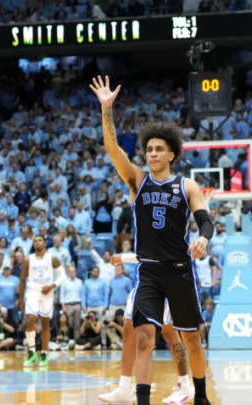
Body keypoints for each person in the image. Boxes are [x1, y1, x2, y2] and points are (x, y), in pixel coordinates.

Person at [90, 75, 210, 405]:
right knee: (143, 336)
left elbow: (205, 220)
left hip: (181, 271)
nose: (152, 153)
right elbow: (112, 148)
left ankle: (199, 396)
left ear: (172, 154)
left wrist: (204, 238)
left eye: (158, 149)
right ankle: (141, 400)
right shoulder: (137, 181)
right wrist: (106, 110)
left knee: (192, 340)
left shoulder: (186, 186)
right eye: (148, 149)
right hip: (149, 273)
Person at [98, 255, 196, 404]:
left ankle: (184, 385)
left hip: (164, 283)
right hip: (142, 284)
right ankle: (124, 388)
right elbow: (144, 252)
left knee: (170, 333)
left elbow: (154, 253)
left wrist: (123, 257)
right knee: (128, 332)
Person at [19, 235, 65, 367]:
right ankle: (32, 352)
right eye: (35, 241)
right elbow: (22, 280)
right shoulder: (28, 260)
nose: (37, 242)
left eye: (39, 240)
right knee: (30, 318)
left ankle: (44, 353)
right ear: (33, 245)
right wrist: (21, 299)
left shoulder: (52, 258)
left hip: (47, 293)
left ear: (45, 244)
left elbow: (63, 276)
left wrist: (52, 286)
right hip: (32, 292)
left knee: (45, 323)